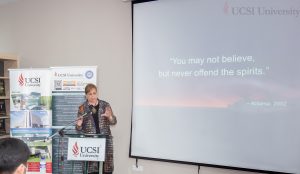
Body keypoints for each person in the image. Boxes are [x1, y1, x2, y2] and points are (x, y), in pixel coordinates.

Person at [76, 83, 117, 174]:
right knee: (92, 170)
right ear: (86, 95)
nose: (92, 96)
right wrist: (79, 125)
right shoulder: (82, 108)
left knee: (106, 168)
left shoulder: (105, 105)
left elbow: (114, 122)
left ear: (97, 93)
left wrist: (110, 116)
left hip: (105, 141)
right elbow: (78, 129)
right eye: (90, 94)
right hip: (90, 144)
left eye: (94, 93)